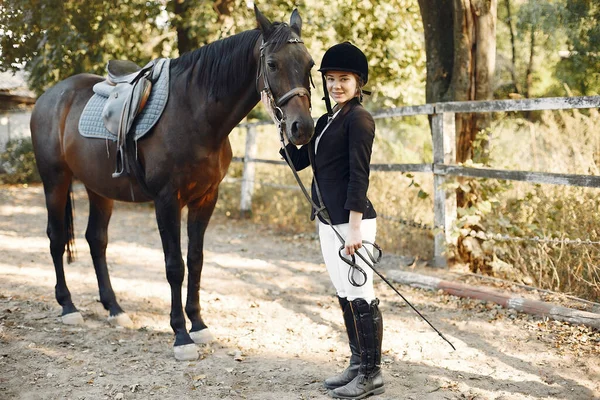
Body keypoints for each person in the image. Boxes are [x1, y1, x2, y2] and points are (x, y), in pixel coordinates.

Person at [263, 41, 384, 399]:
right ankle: (357, 363)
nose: (336, 86)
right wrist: (281, 129)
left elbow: (359, 176)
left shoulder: (359, 119)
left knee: (361, 294)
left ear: (358, 82)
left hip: (351, 222)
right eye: (330, 79)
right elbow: (304, 163)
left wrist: (356, 228)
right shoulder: (329, 119)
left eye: (343, 79)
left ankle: (372, 373)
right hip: (328, 221)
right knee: (345, 293)